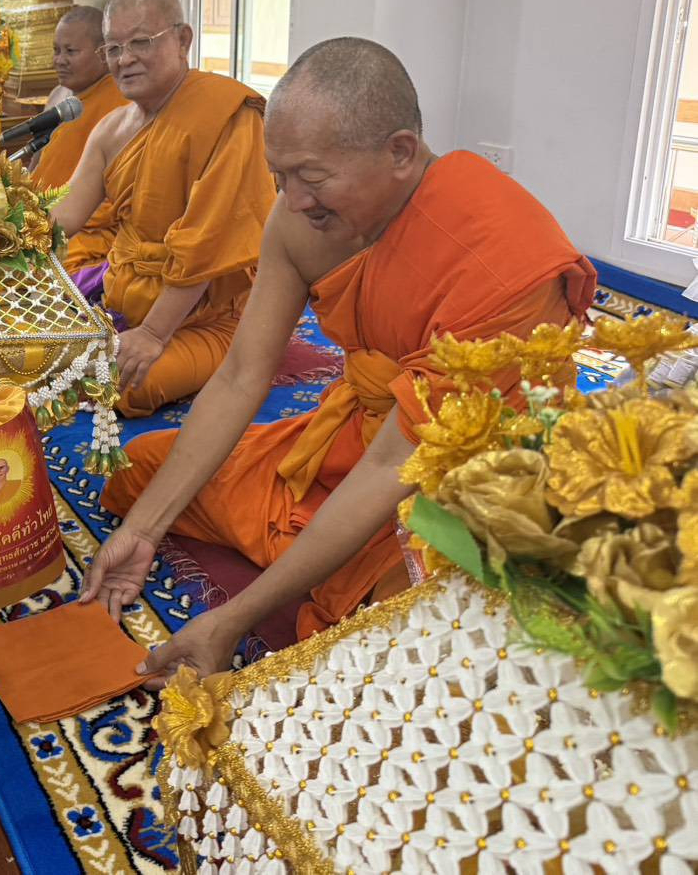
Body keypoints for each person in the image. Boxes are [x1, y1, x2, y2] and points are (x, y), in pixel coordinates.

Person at [81, 37, 596, 682]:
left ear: (400, 152)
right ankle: (306, 545)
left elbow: (395, 464)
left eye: (312, 177)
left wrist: (234, 618)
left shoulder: (506, 265)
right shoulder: (303, 218)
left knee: (393, 637)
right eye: (280, 177)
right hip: (357, 436)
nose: (292, 200)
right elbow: (243, 374)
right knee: (141, 474)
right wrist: (145, 533)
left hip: (457, 476)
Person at [52, 0, 276, 416]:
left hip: (210, 318)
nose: (125, 59)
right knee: (30, 349)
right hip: (122, 297)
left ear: (183, 39)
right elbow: (65, 215)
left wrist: (154, 332)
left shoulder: (226, 114)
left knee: (120, 387)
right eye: (113, 49)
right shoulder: (112, 128)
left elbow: (207, 245)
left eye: (140, 42)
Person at [30, 6, 127, 193]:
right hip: (37, 208)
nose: (59, 60)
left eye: (70, 51)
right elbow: (37, 161)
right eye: (56, 50)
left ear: (103, 54)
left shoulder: (122, 104)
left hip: (78, 213)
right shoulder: (58, 94)